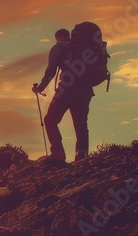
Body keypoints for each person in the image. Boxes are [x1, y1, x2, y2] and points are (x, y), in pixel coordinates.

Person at [33, 28, 93, 161]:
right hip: (85, 91)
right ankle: (82, 154)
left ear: (57, 37)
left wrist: (40, 88)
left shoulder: (58, 48)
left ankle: (58, 153)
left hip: (66, 90)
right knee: (81, 122)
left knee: (50, 120)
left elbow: (51, 72)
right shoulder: (80, 47)